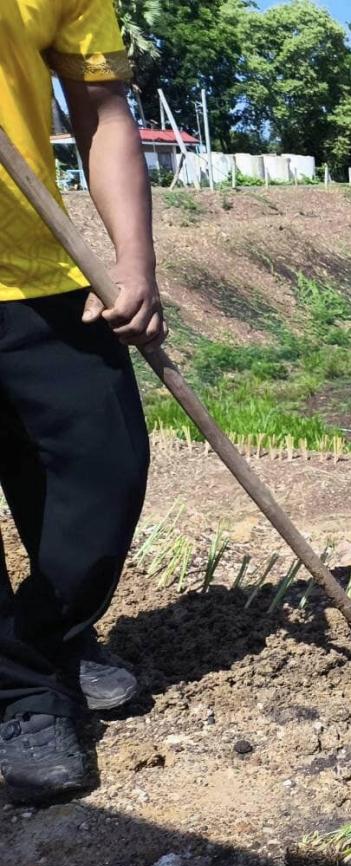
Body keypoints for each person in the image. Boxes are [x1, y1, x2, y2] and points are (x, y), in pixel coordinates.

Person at [0, 2, 165, 803]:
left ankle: (43, 641)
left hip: (35, 268)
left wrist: (133, 259)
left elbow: (100, 109)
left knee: (105, 466)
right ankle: (23, 691)